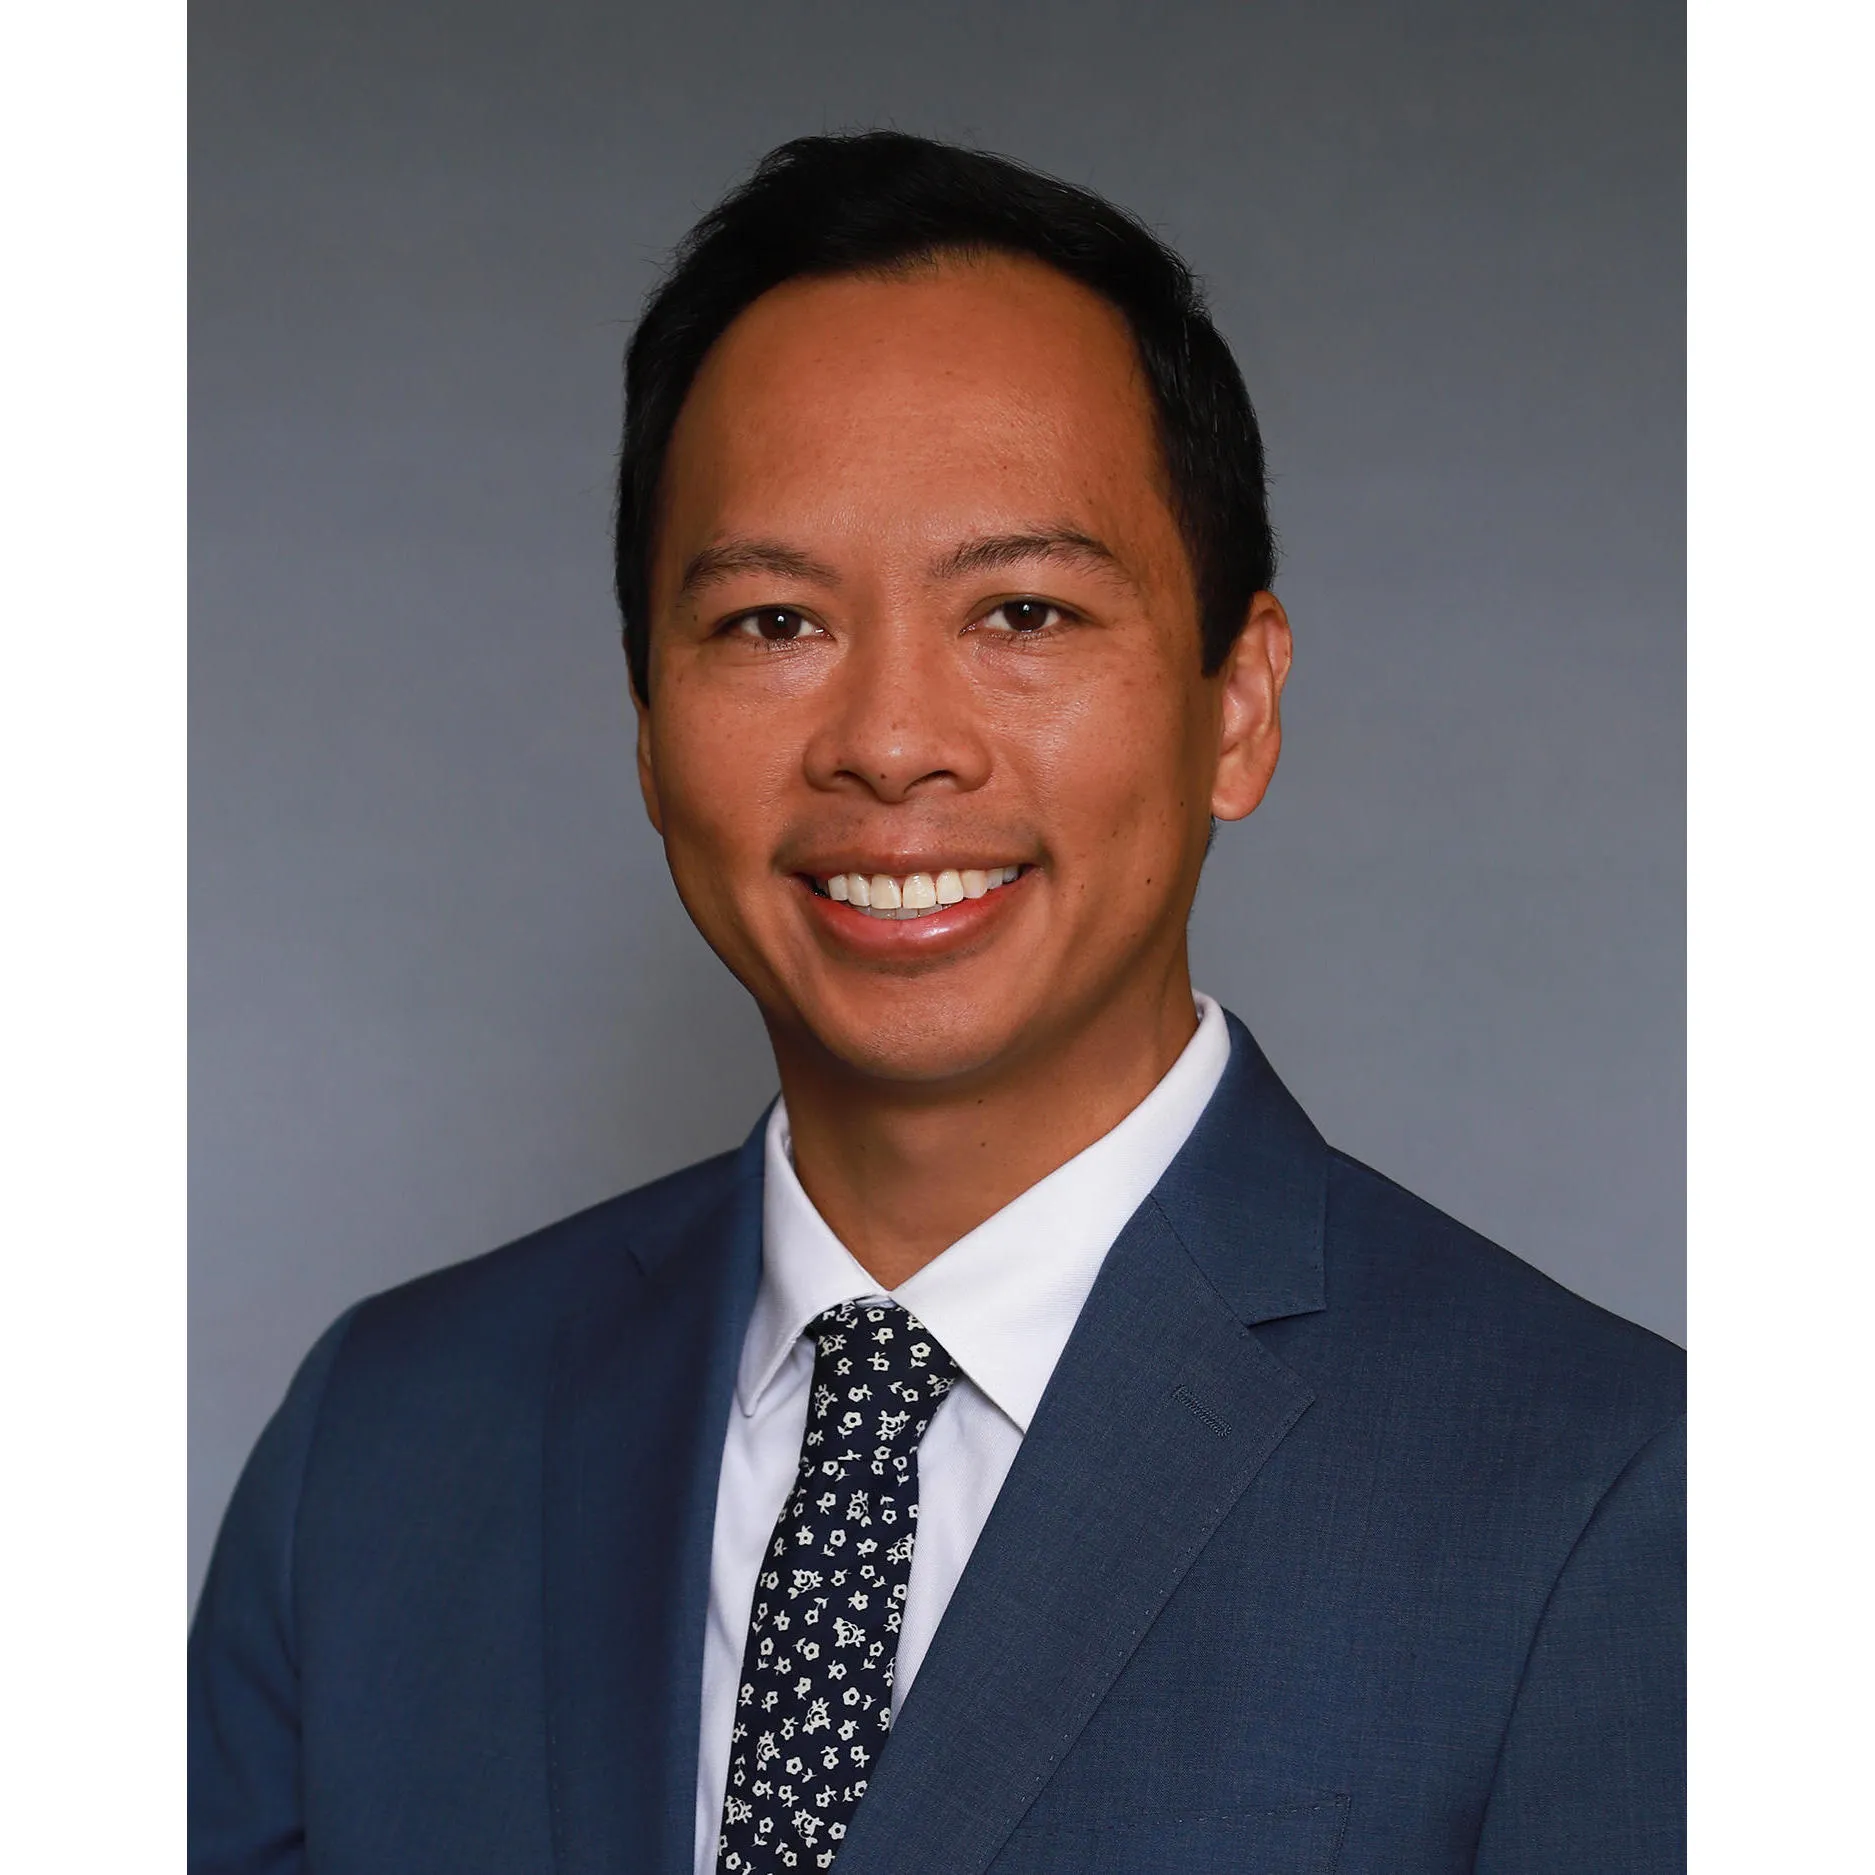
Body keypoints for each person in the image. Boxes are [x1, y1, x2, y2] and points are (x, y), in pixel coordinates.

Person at [189, 132, 1684, 1875]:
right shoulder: (381, 1447)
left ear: (1236, 703)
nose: (891, 742)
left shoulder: (1606, 1499)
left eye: (1022, 610)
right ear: (646, 724)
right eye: (770, 624)